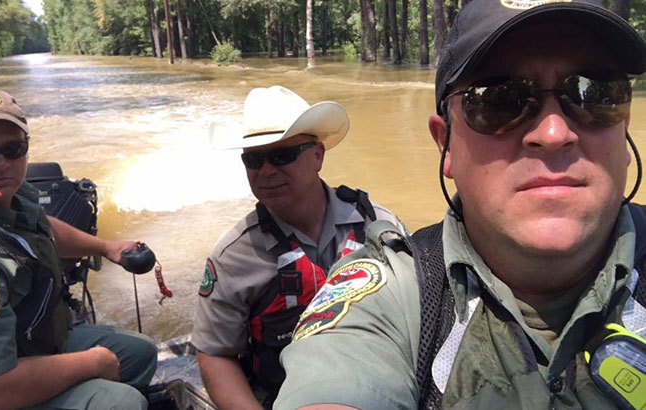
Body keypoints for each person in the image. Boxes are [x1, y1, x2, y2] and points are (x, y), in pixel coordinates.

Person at [274, 0, 646, 409]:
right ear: (445, 145)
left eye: (594, 94)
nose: (554, 132)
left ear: (624, 126)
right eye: (499, 101)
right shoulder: (398, 299)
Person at [191, 86, 405, 409]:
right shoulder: (233, 257)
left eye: (281, 155)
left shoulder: (379, 227)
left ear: (318, 155)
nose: (265, 172)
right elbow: (215, 353)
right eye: (254, 160)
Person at [0, 88, 158, 410]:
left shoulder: (4, 191)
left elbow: (39, 223)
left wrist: (105, 247)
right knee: (121, 402)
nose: (1, 163)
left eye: (14, 148)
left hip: (29, 342)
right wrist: (94, 364)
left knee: (140, 353)